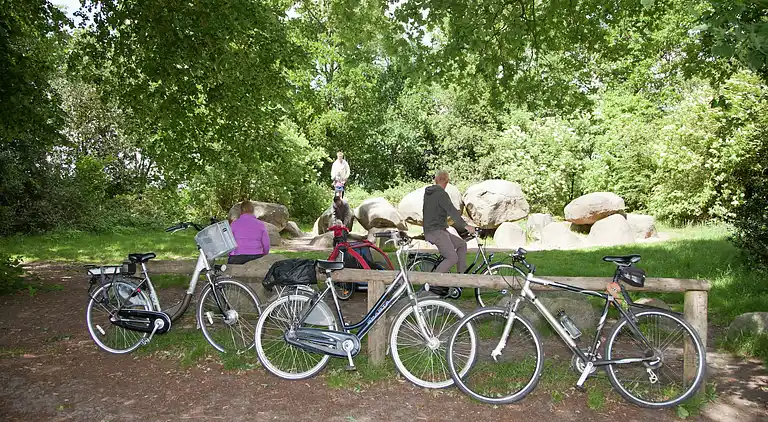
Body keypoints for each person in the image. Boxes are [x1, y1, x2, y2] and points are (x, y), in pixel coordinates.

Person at [423, 170, 475, 273]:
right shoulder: (441, 194)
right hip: (435, 231)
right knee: (452, 258)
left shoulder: (429, 193)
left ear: (435, 180)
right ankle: (434, 284)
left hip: (437, 229)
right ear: (447, 182)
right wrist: (466, 226)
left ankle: (460, 279)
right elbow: (453, 212)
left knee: (462, 245)